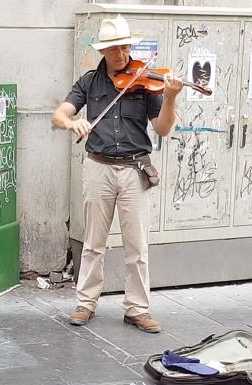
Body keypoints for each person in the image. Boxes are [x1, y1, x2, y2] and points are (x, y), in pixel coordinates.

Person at [51, 15, 184, 333]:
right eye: (115, 49)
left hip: (134, 168)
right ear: (103, 51)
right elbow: (59, 114)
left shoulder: (144, 79)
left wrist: (170, 98)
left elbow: (163, 129)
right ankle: (86, 302)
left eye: (126, 47)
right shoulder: (89, 82)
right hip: (98, 167)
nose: (123, 54)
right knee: (94, 242)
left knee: (137, 245)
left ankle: (137, 308)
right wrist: (72, 123)